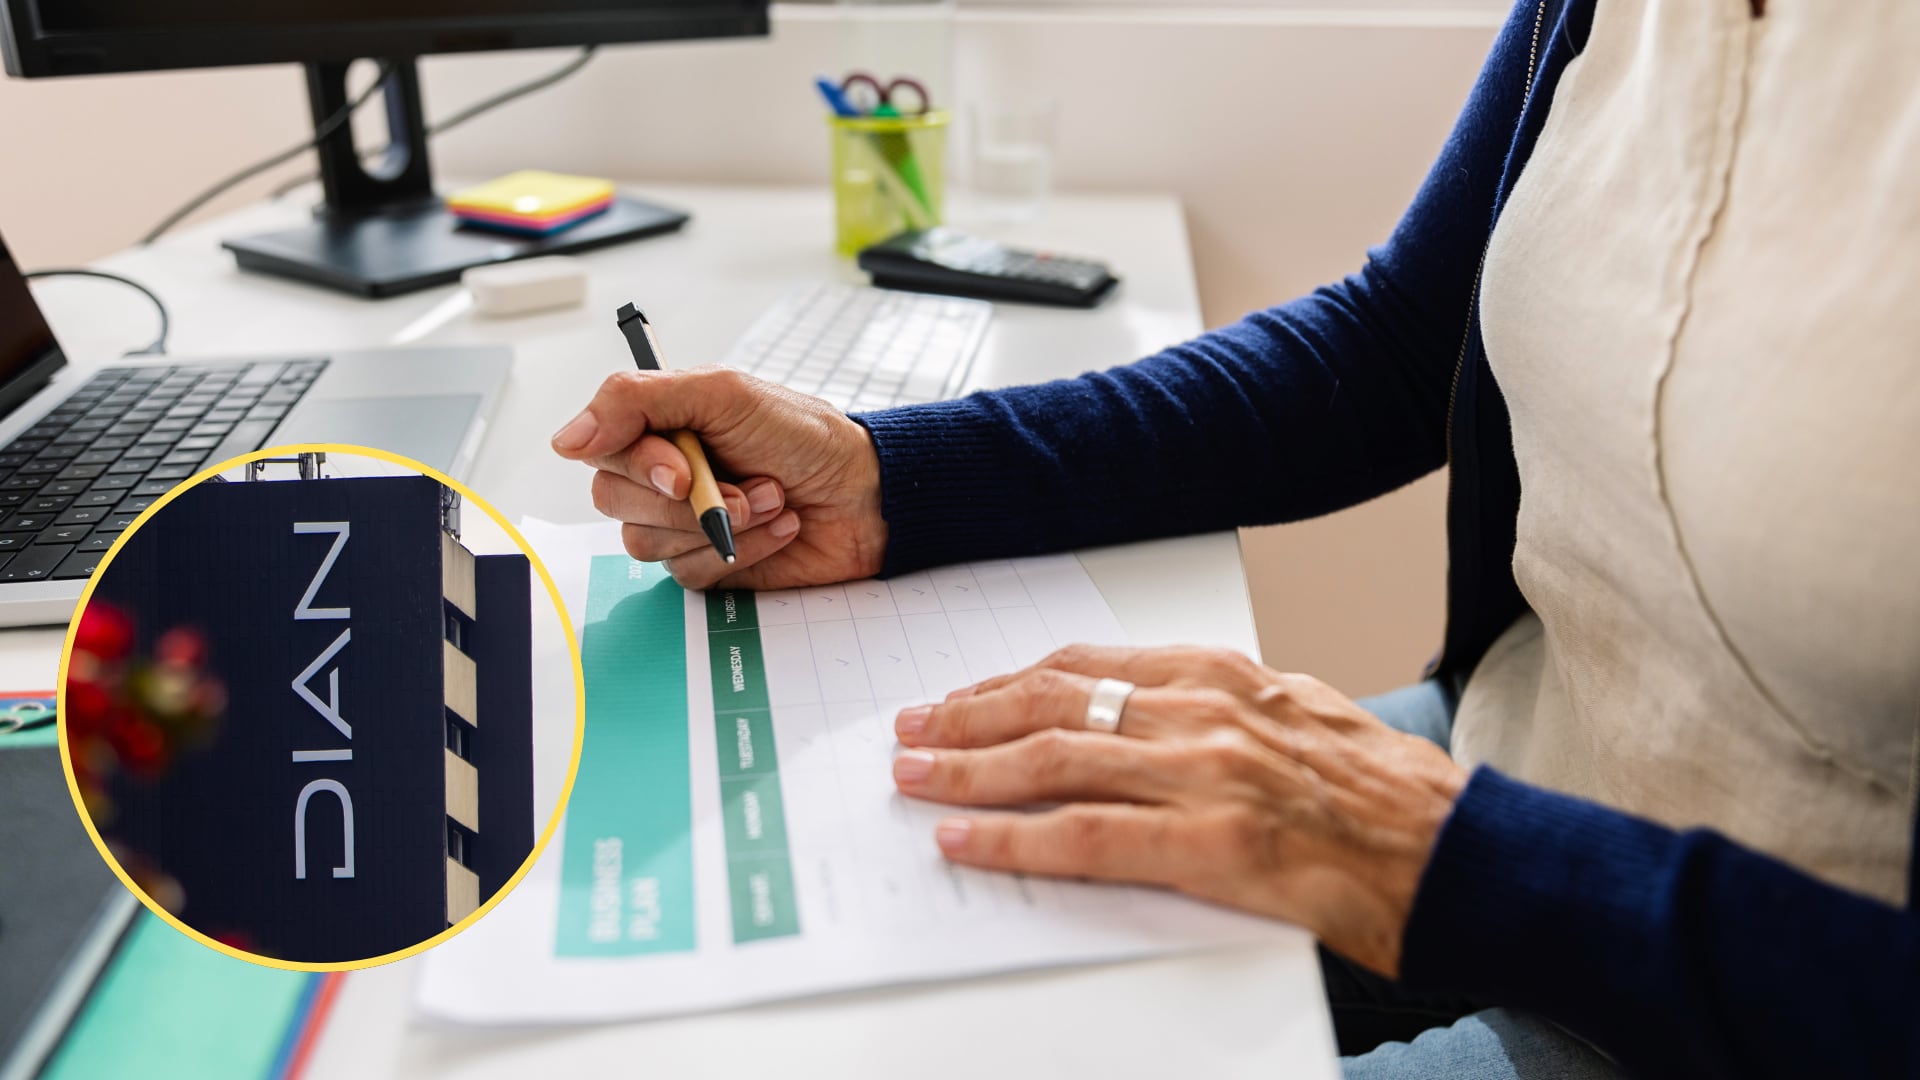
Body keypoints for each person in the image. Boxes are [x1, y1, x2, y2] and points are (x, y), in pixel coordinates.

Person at [547, 0, 1920, 1075]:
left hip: (1757, 974)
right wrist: (888, 478)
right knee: (880, 973)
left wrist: (1447, 860)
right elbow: (1392, 350)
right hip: (1503, 764)